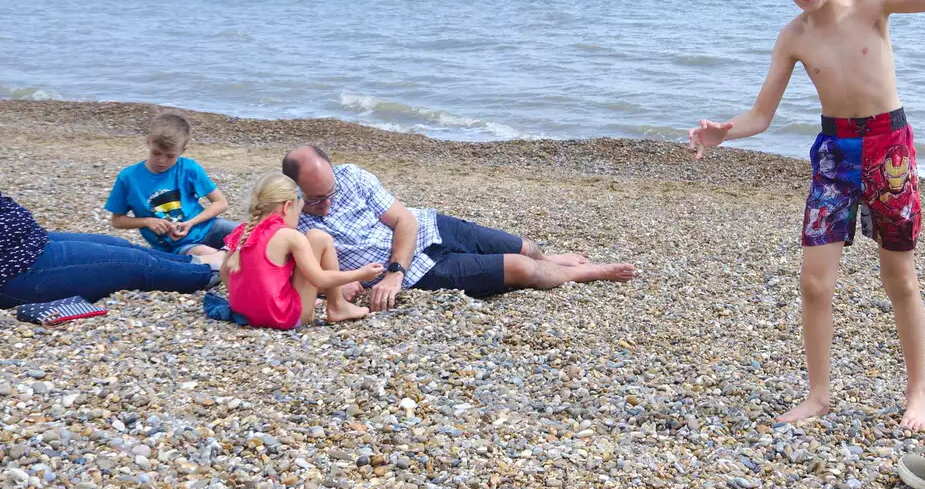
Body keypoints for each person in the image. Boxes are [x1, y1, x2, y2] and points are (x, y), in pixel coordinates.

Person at [688, 0, 925, 431]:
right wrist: (725, 132)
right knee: (814, 279)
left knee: (900, 277)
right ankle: (818, 395)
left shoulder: (874, 5)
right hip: (834, 155)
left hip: (888, 150)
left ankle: (918, 391)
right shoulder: (792, 38)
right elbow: (761, 115)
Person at [0, 66, 217, 315]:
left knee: (116, 245)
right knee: (130, 266)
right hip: (8, 276)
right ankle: (212, 270)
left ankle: (191, 258)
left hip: (19, 254)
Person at [281, 145, 636, 306]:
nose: (325, 204)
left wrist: (394, 271)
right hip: (423, 269)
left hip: (426, 229)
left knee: (526, 247)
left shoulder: (352, 177)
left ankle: (554, 258)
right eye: (315, 199)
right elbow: (297, 268)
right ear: (296, 191)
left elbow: (403, 220)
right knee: (522, 268)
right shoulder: (292, 216)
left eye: (329, 193)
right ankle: (591, 273)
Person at [220, 173, 383, 328]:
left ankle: (329, 304)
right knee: (319, 237)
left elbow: (225, 274)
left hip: (246, 315)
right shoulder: (290, 236)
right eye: (298, 212)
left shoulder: (242, 232)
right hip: (284, 318)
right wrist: (361, 273)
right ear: (287, 206)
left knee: (312, 240)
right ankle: (338, 306)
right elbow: (320, 279)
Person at [105, 113, 238, 256]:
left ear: (183, 150)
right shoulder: (128, 178)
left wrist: (191, 223)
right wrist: (147, 221)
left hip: (209, 227)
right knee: (214, 256)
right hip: (177, 247)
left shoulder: (189, 168)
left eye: (170, 156)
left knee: (252, 235)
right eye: (156, 153)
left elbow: (221, 202)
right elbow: (117, 220)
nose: (162, 161)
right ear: (148, 142)